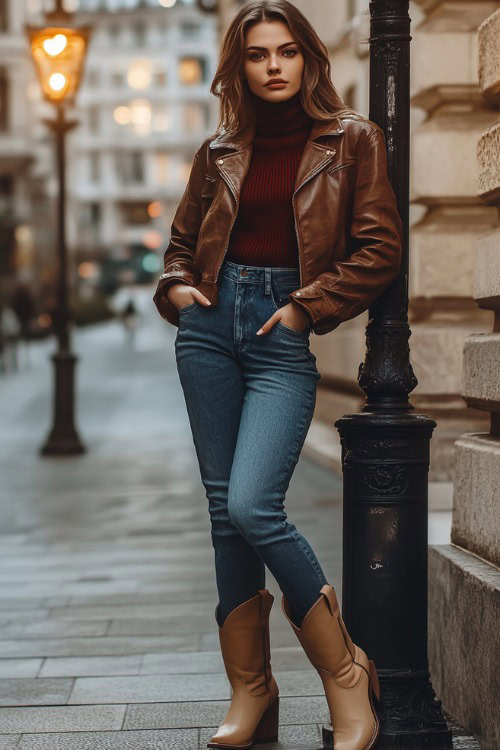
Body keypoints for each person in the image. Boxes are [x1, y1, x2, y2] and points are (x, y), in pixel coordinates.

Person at [152, 2, 402, 748]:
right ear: (240, 65)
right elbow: (179, 244)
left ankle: (347, 674)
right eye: (258, 54)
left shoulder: (353, 140)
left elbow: (379, 249)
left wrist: (305, 308)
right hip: (208, 330)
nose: (273, 66)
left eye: (287, 52)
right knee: (223, 509)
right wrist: (174, 289)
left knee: (255, 506)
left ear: (309, 60)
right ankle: (252, 693)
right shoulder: (219, 149)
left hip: (277, 330)